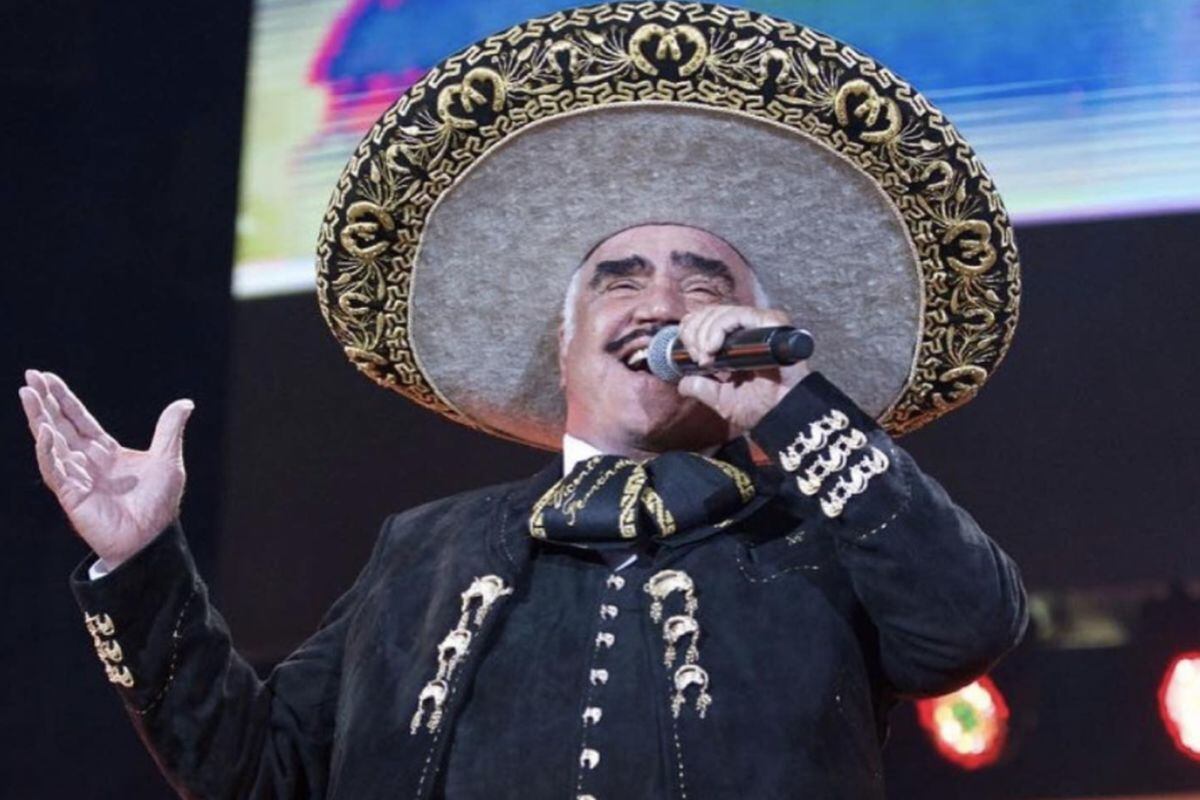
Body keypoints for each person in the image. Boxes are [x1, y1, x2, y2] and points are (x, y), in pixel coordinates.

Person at [20, 5, 1031, 797]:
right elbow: (258, 772)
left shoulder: (819, 538)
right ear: (564, 334)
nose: (663, 304)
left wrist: (789, 404)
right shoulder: (421, 555)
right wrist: (143, 563)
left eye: (705, 283)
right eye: (622, 279)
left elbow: (968, 623)